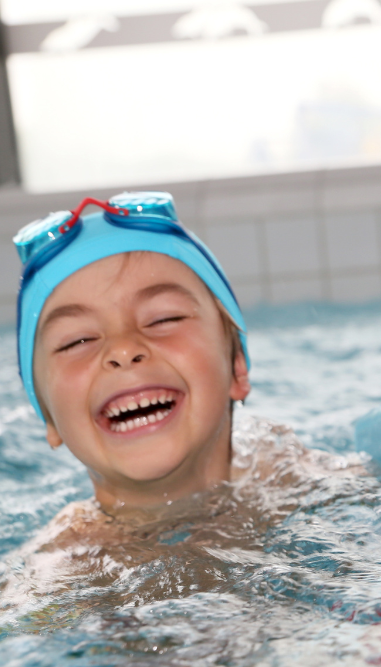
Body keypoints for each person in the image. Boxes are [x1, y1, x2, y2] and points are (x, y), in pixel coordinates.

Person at [2, 192, 360, 608]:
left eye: (164, 319)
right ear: (47, 417)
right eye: (77, 340)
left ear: (238, 367)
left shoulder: (299, 477)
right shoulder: (58, 570)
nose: (123, 349)